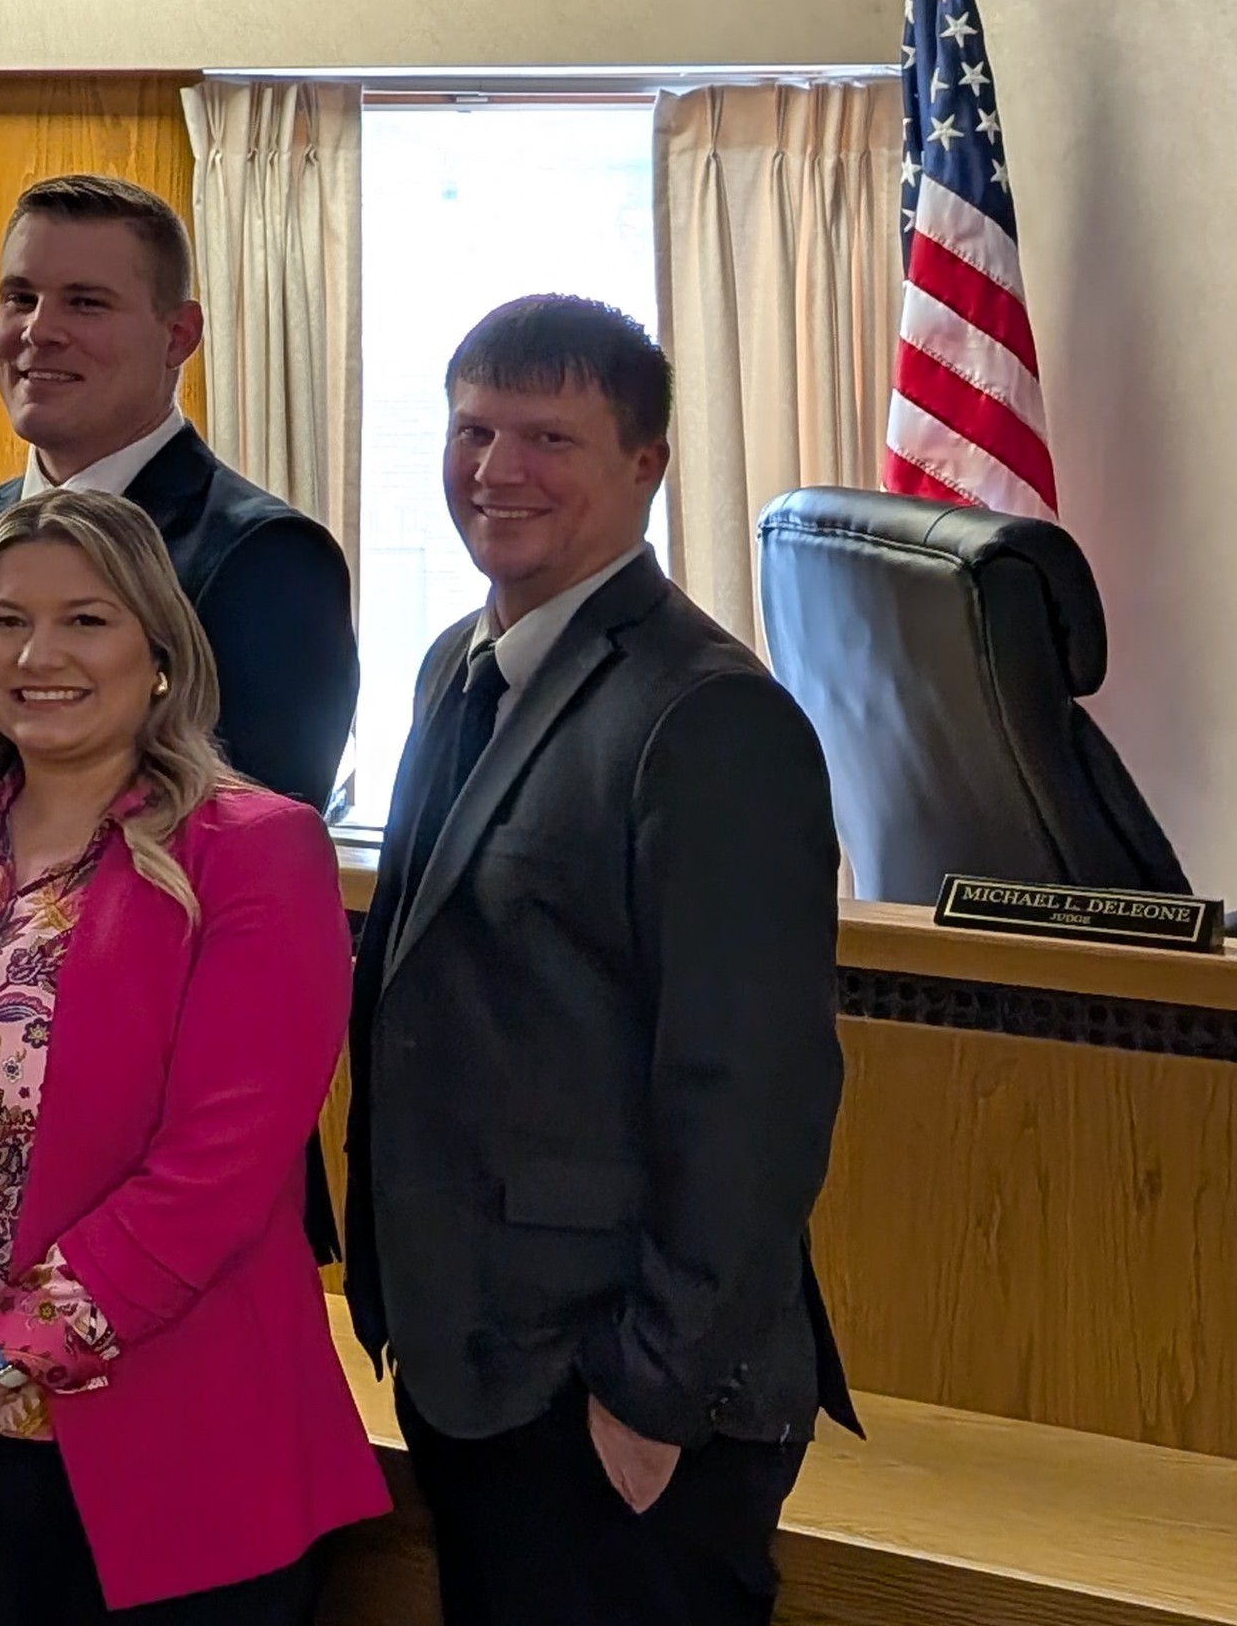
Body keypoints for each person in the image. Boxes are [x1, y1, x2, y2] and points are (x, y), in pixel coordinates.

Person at [345, 297, 851, 1626]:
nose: (495, 468)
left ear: (647, 463)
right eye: (473, 428)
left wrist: (652, 1387)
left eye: (549, 435)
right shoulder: (459, 663)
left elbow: (755, 1088)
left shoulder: (710, 713)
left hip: (617, 1393)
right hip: (477, 1357)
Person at [0, 489, 384, 1624]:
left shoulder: (254, 850)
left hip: (174, 1456)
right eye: (6, 620)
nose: (40, 654)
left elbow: (212, 1179)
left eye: (86, 619)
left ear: (161, 654)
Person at [0, 174, 356, 879]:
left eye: (85, 302)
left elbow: (249, 857)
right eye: (20, 297)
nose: (39, 330)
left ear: (179, 335)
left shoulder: (268, 560)